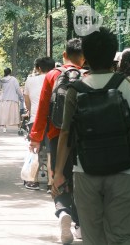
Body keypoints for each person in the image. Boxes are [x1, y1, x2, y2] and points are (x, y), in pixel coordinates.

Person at [52, 27, 130, 245]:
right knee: (124, 236)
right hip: (124, 171)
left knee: (92, 236)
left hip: (85, 171)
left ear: (86, 57)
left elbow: (66, 134)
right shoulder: (129, 87)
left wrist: (59, 172)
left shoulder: (75, 89)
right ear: (113, 56)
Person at [29, 38, 85, 244]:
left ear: (64, 55)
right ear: (84, 57)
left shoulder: (53, 75)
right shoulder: (86, 75)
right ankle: (80, 225)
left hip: (56, 135)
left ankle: (63, 212)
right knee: (80, 178)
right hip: (83, 137)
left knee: (59, 175)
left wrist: (35, 138)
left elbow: (43, 108)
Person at [22, 57, 54, 189]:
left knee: (35, 149)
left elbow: (27, 102)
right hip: (52, 119)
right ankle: (51, 182)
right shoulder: (56, 78)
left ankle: (32, 180)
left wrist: (30, 111)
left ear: (38, 68)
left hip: (35, 118)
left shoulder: (30, 80)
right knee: (51, 150)